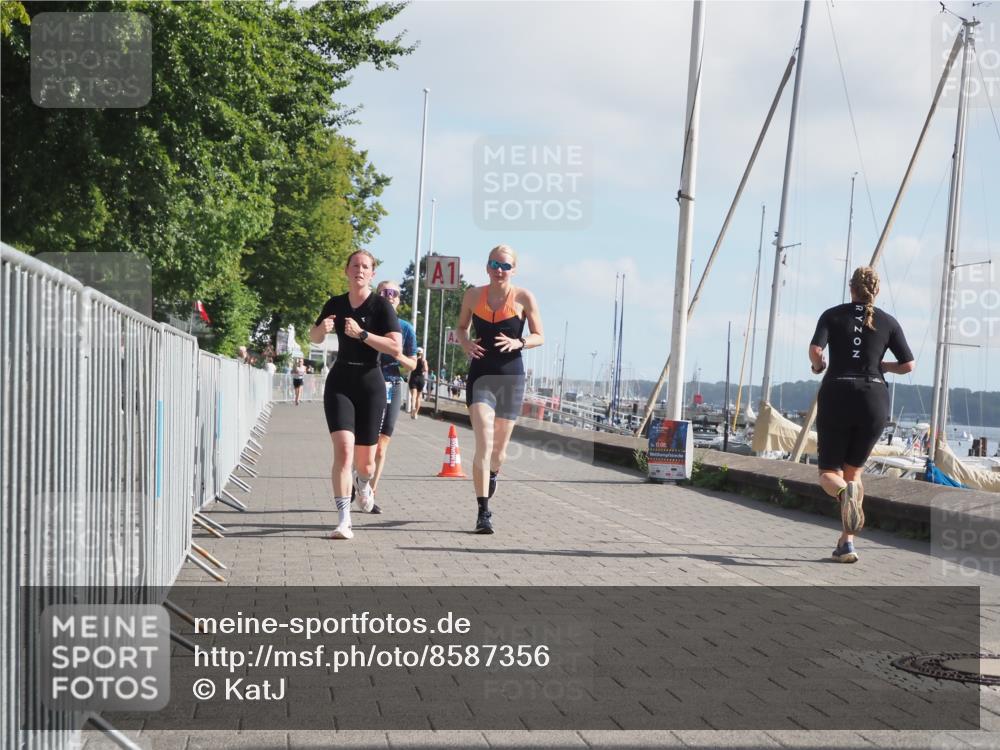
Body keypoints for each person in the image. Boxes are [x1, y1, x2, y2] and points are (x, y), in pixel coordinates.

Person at [809, 266, 914, 563]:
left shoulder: (832, 315)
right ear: (876, 291)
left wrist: (818, 366)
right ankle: (847, 544)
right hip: (874, 398)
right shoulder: (888, 321)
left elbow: (816, 350)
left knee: (829, 473)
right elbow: (908, 364)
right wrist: (883, 367)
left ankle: (844, 495)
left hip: (838, 393)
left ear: (851, 288)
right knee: (853, 474)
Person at [310, 250, 402, 540]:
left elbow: (395, 348)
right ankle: (343, 520)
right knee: (344, 450)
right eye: (355, 266)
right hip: (340, 382)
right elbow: (313, 336)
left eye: (365, 267)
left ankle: (363, 483)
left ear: (372, 274)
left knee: (366, 463)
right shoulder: (335, 304)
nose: (359, 270)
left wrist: (362, 334)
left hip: (371, 383)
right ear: (346, 271)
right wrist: (321, 329)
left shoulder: (381, 307)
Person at [456, 244, 544, 534]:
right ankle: (483, 512)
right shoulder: (472, 295)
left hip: (510, 378)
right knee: (483, 441)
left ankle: (493, 472)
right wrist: (465, 342)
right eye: (495, 264)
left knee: (498, 452)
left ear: (513, 270)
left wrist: (520, 342)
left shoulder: (523, 298)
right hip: (481, 375)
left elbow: (539, 335)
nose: (499, 270)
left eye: (505, 266)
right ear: (487, 267)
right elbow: (461, 327)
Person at [368, 280, 418, 512]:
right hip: (368, 383)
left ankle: (370, 492)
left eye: (394, 293)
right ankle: (358, 479)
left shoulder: (405, 328)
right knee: (363, 442)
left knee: (381, 446)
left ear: (399, 299)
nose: (389, 296)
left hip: (393, 384)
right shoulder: (367, 323)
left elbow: (412, 365)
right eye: (384, 292)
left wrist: (397, 354)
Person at [409, 348, 427, 419]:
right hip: (421, 379)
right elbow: (426, 369)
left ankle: (413, 407)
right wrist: (422, 369)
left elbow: (410, 368)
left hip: (414, 377)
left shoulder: (413, 360)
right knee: (418, 397)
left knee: (414, 395)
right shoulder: (423, 361)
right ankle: (416, 413)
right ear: (422, 354)